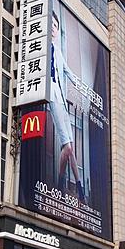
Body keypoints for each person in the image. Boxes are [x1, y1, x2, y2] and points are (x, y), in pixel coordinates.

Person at [50, 11, 85, 201]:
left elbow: (68, 72)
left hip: (62, 100)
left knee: (70, 147)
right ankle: (60, 183)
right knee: (68, 148)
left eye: (55, 26)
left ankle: (79, 187)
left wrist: (83, 89)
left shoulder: (57, 50)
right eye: (50, 24)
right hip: (52, 97)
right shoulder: (41, 47)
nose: (52, 29)